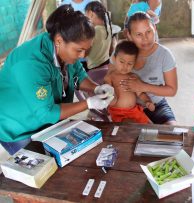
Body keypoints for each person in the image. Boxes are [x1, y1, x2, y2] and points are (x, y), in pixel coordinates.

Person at [0, 5, 114, 155]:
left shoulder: (63, 47)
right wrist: (88, 103)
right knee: (37, 166)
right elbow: (46, 113)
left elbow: (78, 74)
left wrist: (95, 88)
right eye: (79, 50)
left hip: (47, 120)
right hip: (18, 125)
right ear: (59, 41)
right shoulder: (30, 63)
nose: (83, 55)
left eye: (86, 49)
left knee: (59, 157)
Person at [118, 12, 178, 125]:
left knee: (172, 132)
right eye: (138, 34)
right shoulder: (122, 53)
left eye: (148, 32)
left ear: (154, 28)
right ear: (129, 35)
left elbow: (172, 90)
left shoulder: (164, 55)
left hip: (157, 105)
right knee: (132, 134)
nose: (145, 39)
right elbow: (111, 77)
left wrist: (142, 86)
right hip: (129, 108)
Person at [105, 40, 155, 123]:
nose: (125, 66)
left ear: (134, 63)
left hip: (134, 110)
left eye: (130, 63)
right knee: (131, 126)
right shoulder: (110, 77)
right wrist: (110, 97)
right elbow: (107, 95)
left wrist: (147, 101)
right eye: (122, 62)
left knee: (150, 126)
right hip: (119, 113)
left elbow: (141, 93)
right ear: (114, 58)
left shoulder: (133, 77)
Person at [85, 1, 112, 70]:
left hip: (94, 68)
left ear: (91, 14)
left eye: (86, 15)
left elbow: (85, 54)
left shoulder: (93, 31)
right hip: (106, 65)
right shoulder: (108, 28)